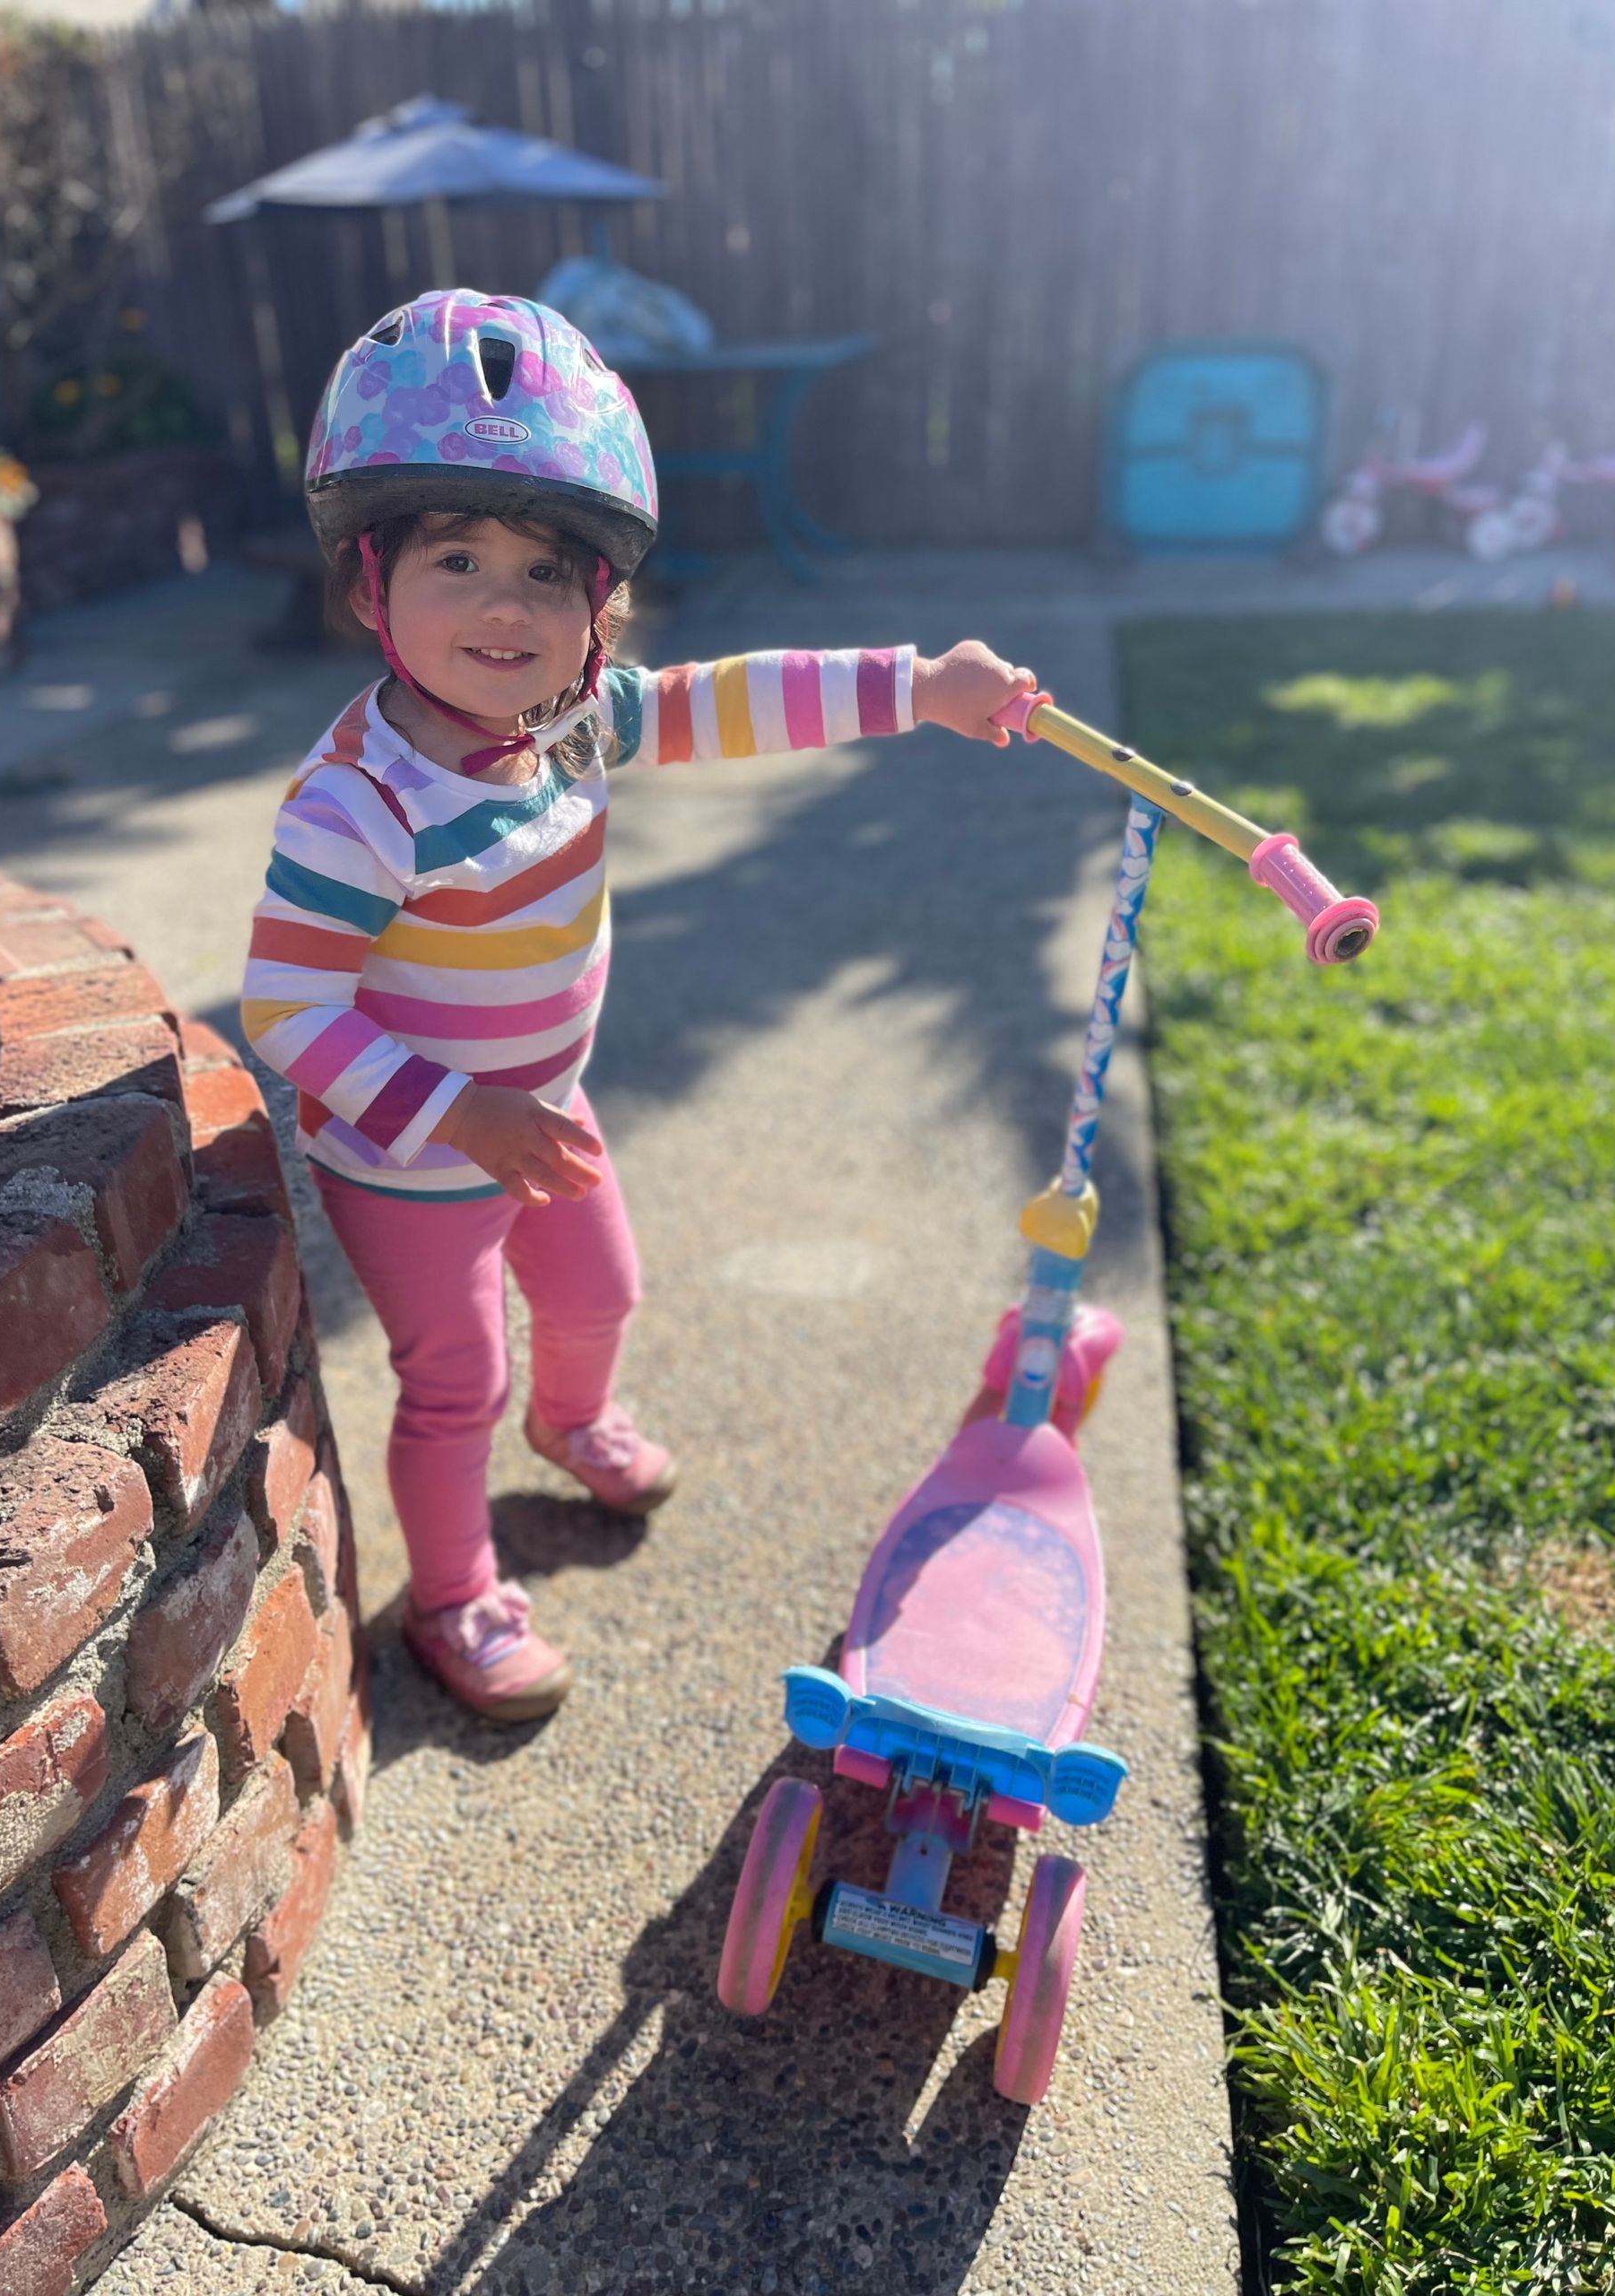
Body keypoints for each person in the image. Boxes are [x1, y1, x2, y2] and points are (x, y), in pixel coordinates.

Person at [243, 291, 1038, 1723]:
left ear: (597, 604)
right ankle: (451, 1598)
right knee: (452, 1383)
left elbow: (735, 700)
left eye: (551, 572)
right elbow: (290, 1010)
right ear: (371, 585)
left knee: (601, 1292)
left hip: (541, 1105)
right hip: (414, 1153)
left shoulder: (570, 719)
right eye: (458, 559)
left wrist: (918, 687)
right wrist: (455, 1111)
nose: (507, 604)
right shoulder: (359, 802)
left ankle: (577, 1417)